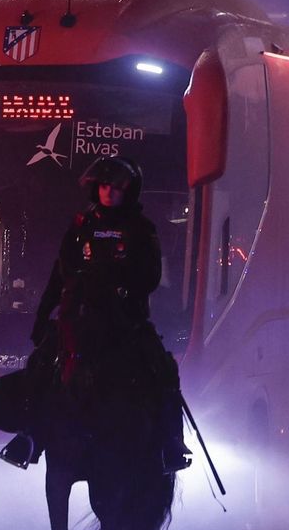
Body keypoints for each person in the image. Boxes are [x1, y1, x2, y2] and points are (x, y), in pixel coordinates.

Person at [10, 155, 190, 471]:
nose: (109, 192)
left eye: (116, 187)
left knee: (163, 369)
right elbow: (59, 272)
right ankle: (29, 437)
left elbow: (151, 275)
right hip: (78, 317)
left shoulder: (141, 229)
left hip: (125, 321)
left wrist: (118, 281)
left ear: (128, 191)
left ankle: (170, 444)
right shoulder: (82, 225)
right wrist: (42, 316)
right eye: (104, 186)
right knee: (41, 364)